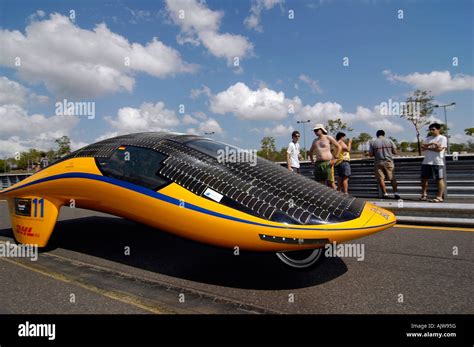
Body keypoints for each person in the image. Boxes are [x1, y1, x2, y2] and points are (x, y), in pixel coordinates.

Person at [368, 130, 401, 199]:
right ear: (384, 134)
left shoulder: (373, 142)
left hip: (378, 162)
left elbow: (370, 154)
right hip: (389, 161)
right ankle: (396, 193)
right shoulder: (390, 141)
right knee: (392, 178)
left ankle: (385, 194)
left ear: (377, 135)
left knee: (381, 178)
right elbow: (395, 152)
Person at [420, 123, 447, 202]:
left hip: (437, 162)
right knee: (424, 179)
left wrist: (428, 147)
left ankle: (439, 196)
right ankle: (424, 194)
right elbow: (422, 147)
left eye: (433, 129)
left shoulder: (443, 138)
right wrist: (432, 144)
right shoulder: (429, 138)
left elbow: (440, 149)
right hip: (427, 161)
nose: (431, 131)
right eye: (430, 129)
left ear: (438, 129)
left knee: (439, 179)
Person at [309, 124, 341, 188]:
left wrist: (335, 159)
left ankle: (336, 197)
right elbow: (310, 152)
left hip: (328, 163)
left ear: (322, 130)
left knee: (330, 182)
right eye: (314, 130)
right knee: (320, 183)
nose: (315, 132)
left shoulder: (328, 137)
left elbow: (339, 147)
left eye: (317, 130)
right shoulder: (315, 141)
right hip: (318, 163)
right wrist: (312, 161)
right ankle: (324, 197)